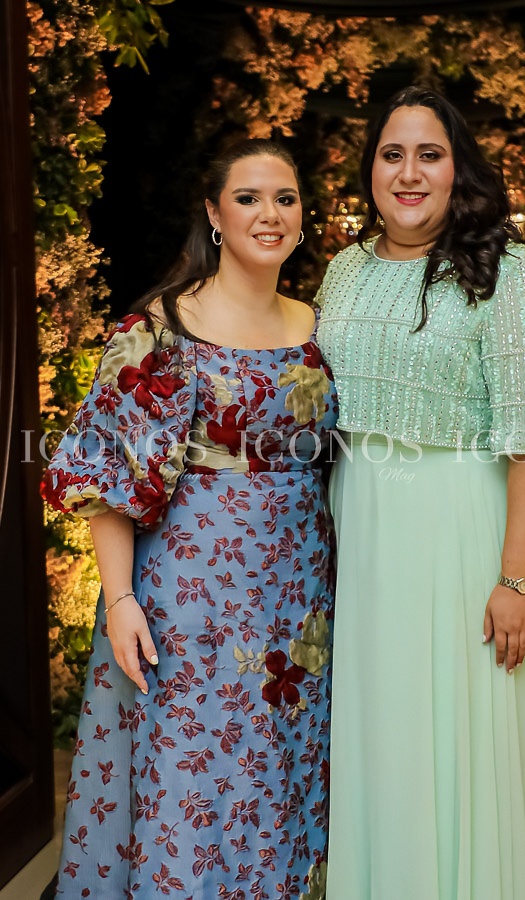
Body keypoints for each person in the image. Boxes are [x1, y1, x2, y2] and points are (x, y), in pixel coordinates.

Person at [40, 138, 338, 898]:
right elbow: (105, 474)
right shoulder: (159, 328)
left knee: (280, 778)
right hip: (190, 597)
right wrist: (119, 600)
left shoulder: (322, 326)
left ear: (303, 215)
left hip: (299, 598)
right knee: (191, 783)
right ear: (213, 212)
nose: (269, 214)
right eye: (248, 198)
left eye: (285, 199)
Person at [315, 85, 525, 899]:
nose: (408, 172)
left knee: (460, 750)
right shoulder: (342, 270)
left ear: (458, 168)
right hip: (363, 531)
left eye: (428, 154)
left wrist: (514, 579)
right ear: (369, 169)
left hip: (462, 535)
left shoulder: (510, 272)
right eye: (391, 154)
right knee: (378, 744)